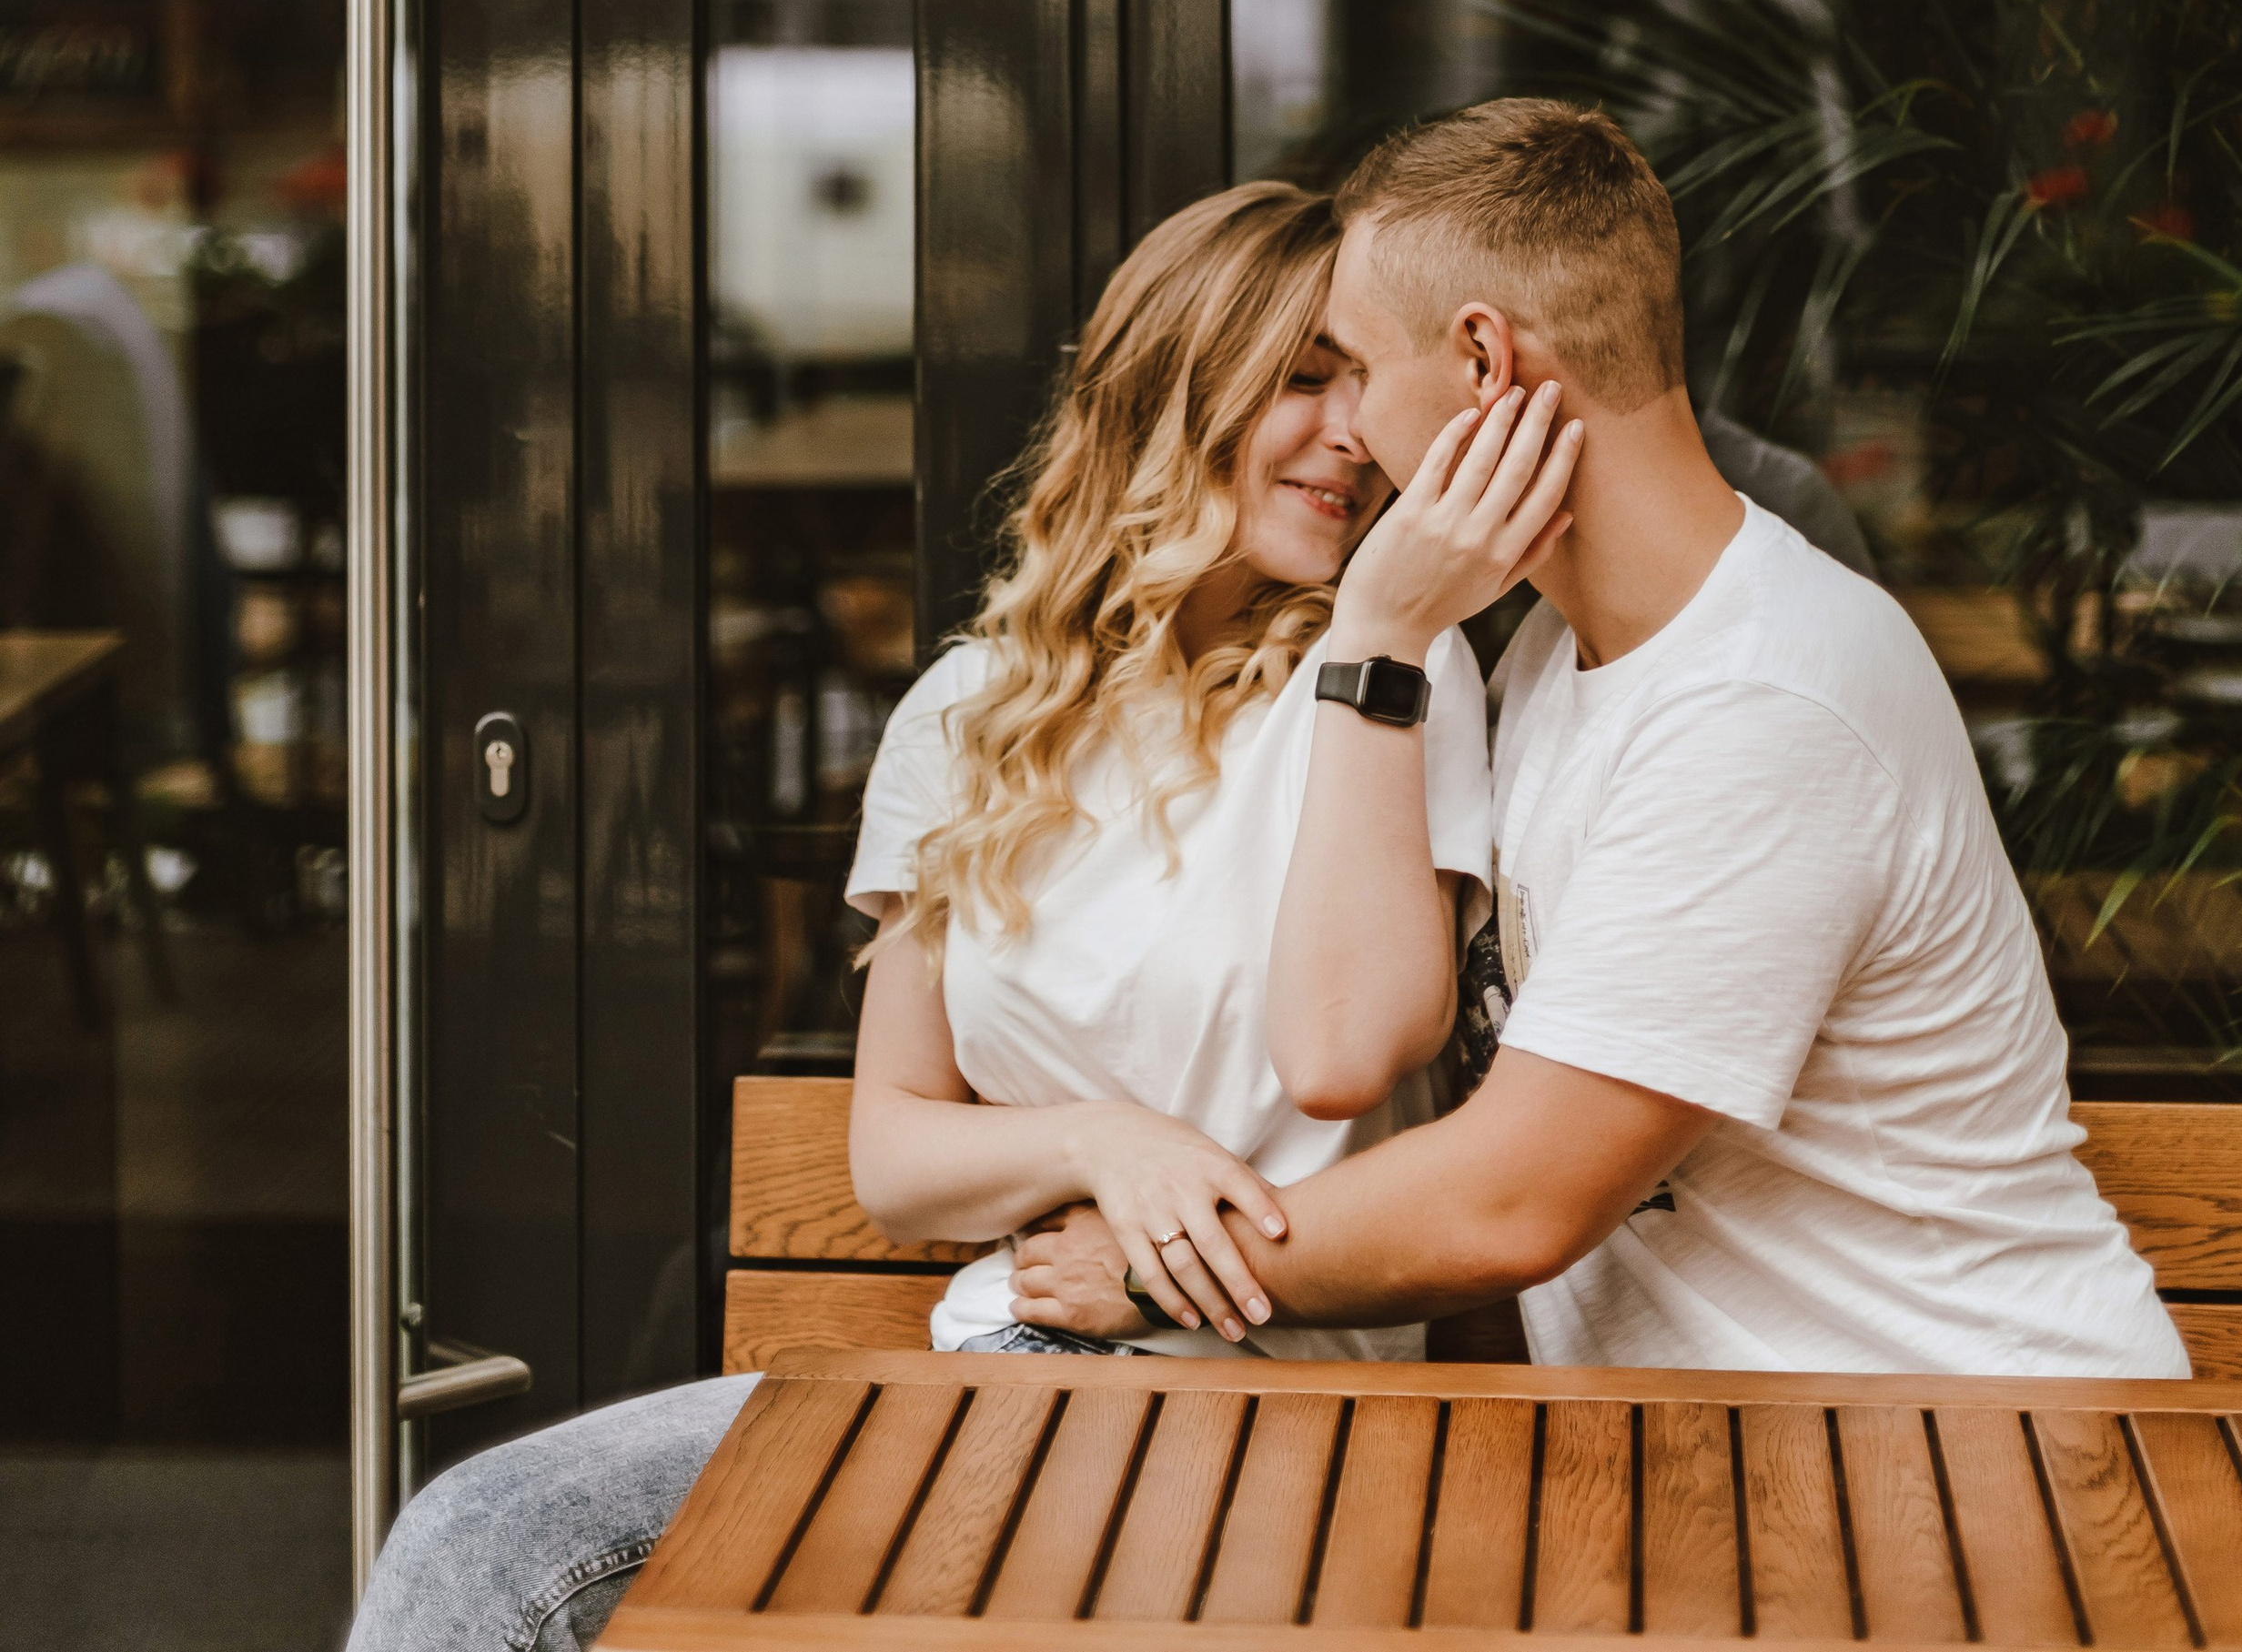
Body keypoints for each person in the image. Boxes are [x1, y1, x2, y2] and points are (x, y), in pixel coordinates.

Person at [347, 179, 1516, 1652]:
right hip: (998, 1365)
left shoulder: (1387, 677)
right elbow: (894, 1149)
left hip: (1264, 1408)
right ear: (1171, 390)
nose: (1354, 434)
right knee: (479, 1535)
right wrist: (1107, 1138)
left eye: (1367, 385)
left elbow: (1359, 1046)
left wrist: (1381, 637)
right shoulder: (975, 712)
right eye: (1301, 379)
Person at [1013, 96, 2187, 1381]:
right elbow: (1343, 1044)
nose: (1347, 423)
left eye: (1352, 361)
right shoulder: (1554, 658)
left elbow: (1510, 1202)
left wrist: (1143, 1267)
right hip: (1752, 1464)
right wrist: (1380, 637)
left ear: (1482, 364)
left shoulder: (1766, 697)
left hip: (1978, 1453)